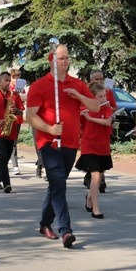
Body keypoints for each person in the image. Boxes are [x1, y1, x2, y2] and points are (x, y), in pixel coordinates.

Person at [26, 43, 100, 248]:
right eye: (62, 58)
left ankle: (44, 223)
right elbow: (30, 116)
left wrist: (80, 96)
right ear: (52, 59)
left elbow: (95, 106)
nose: (66, 62)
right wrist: (49, 129)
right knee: (59, 183)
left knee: (56, 185)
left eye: (68, 58)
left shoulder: (76, 84)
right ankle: (66, 230)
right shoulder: (40, 86)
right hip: (48, 143)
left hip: (69, 143)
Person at [75, 82, 113, 218]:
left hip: (103, 145)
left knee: (99, 176)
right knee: (95, 176)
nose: (103, 99)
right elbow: (75, 120)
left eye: (104, 96)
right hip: (89, 144)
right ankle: (96, 208)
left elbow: (108, 122)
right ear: (92, 98)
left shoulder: (107, 109)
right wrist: (82, 115)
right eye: (100, 97)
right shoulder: (85, 108)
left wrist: (90, 118)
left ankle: (90, 197)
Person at [0, 72, 24, 193]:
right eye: (5, 80)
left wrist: (16, 110)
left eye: (8, 80)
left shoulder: (14, 95)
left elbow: (22, 111)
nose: (7, 83)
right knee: (2, 156)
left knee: (5, 159)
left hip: (11, 130)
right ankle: (7, 184)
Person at [83, 69, 118, 192]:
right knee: (94, 162)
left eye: (101, 79)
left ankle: (95, 181)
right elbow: (83, 108)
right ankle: (96, 181)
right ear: (91, 80)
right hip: (91, 131)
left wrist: (108, 110)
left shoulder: (107, 92)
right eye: (96, 79)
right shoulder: (87, 93)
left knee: (101, 161)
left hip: (104, 130)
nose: (99, 81)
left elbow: (114, 107)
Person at [8, 69, 25, 175]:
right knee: (9, 142)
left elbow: (22, 105)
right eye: (14, 77)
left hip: (17, 119)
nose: (16, 79)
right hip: (9, 118)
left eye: (17, 77)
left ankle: (14, 165)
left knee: (14, 142)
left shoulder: (21, 89)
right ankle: (13, 165)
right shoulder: (8, 88)